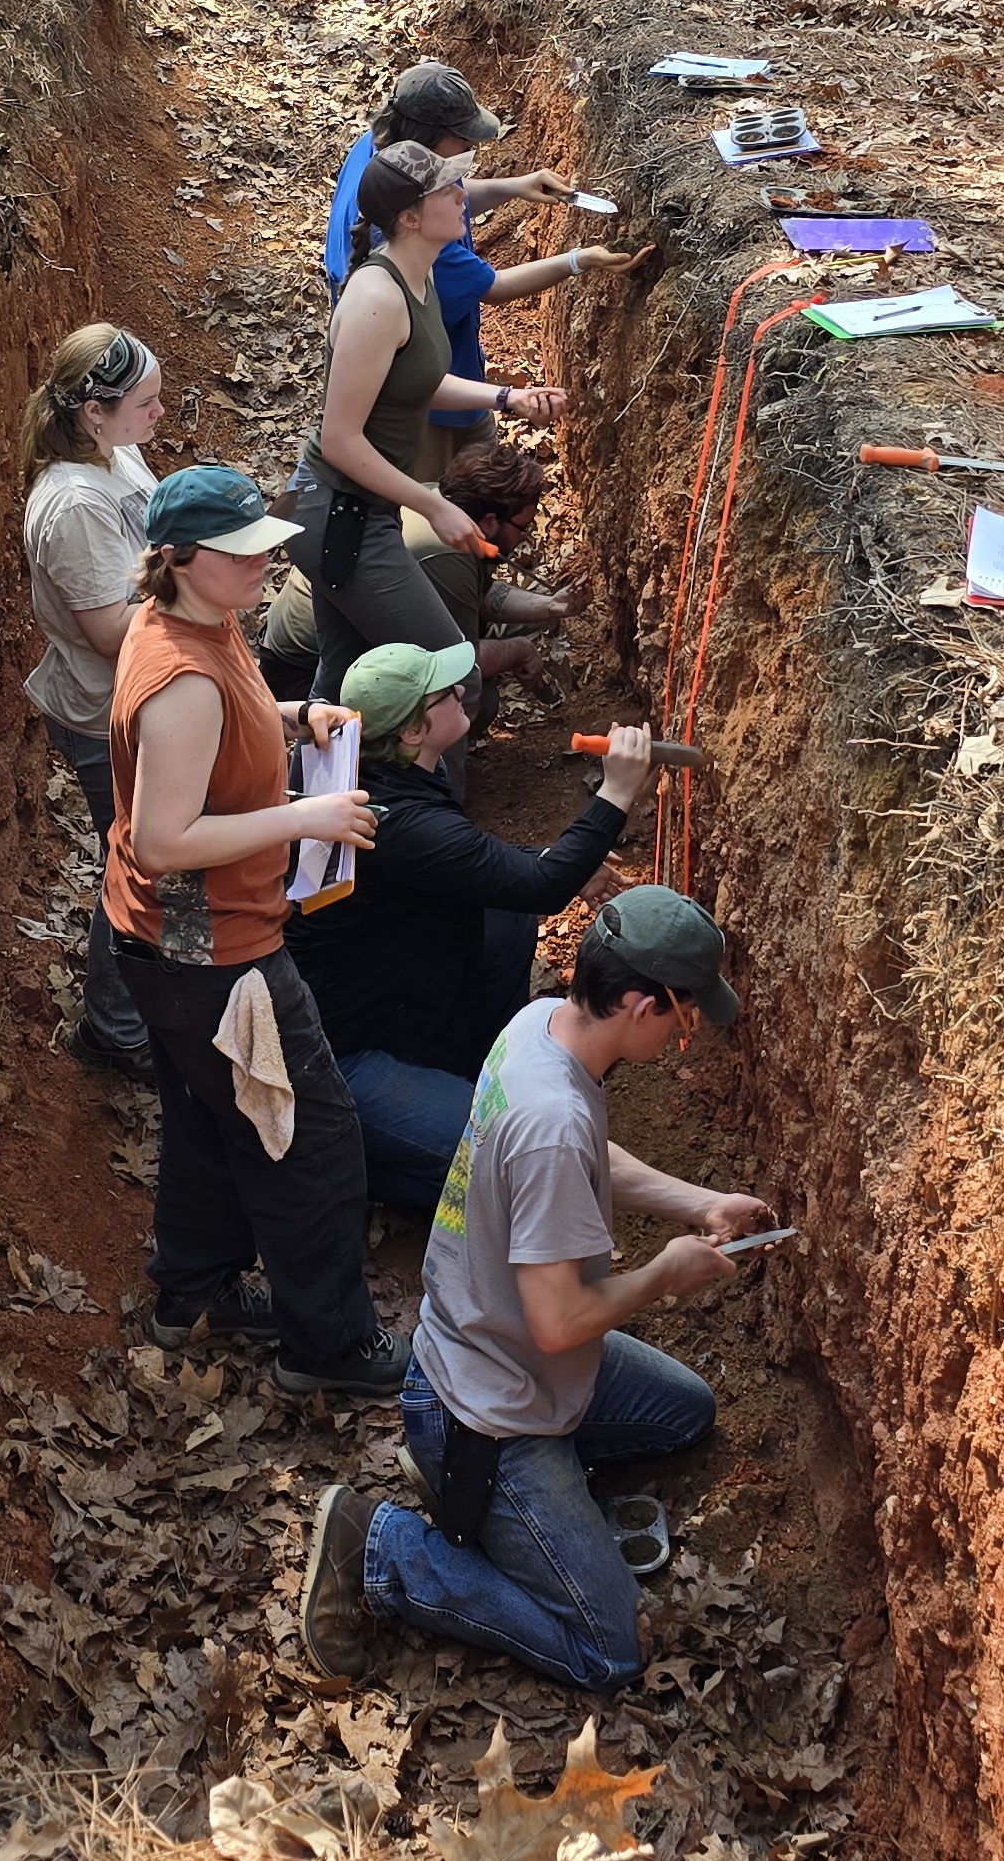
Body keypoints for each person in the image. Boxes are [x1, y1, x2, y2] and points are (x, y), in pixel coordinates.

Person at [297, 888, 774, 1689]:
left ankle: (482, 1499)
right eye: (682, 1019)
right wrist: (664, 1274)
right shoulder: (551, 1118)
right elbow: (558, 1324)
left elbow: (589, 1156)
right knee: (609, 1650)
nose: (683, 1036)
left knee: (684, 1410)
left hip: (482, 1351)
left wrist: (699, 1202)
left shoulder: (544, 1029)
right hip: (492, 1408)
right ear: (637, 1004)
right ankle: (382, 1548)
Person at [106, 465, 405, 1398]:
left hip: (166, 949)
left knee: (209, 1120)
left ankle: (191, 1294)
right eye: (245, 553)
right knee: (308, 1138)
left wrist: (290, 717)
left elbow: (215, 726)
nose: (269, 560)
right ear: (186, 559)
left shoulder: (192, 620)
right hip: (214, 957)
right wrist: (303, 819)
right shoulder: (180, 679)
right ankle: (328, 1348)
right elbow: (163, 839)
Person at [288, 643, 652, 1209]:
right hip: (343, 1056)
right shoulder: (400, 821)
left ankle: (479, 1071)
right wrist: (617, 792)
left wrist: (548, 857)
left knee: (503, 911)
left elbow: (479, 869)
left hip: (384, 996)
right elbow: (536, 885)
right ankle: (351, 1161)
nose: (462, 690)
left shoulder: (359, 769)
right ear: (412, 732)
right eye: (444, 691)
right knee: (518, 1164)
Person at [310, 143, 563, 700]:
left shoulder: (418, 278)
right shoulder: (378, 298)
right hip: (339, 513)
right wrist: (433, 504)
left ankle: (339, 781)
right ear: (410, 218)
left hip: (362, 509)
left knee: (344, 677)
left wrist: (506, 398)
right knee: (451, 674)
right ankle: (423, 788)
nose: (461, 196)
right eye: (448, 190)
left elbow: (413, 381)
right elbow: (339, 439)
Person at [320, 63, 633, 441]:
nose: (472, 145)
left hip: (425, 379)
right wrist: (579, 260)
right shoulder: (413, 249)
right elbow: (492, 286)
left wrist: (516, 186)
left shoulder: (380, 155)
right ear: (427, 140)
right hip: (429, 415)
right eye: (463, 138)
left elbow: (445, 199)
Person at [20, 323, 165, 1082]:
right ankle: (111, 1027)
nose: (160, 414)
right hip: (105, 713)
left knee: (142, 857)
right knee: (136, 865)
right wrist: (198, 585)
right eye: (147, 402)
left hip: (138, 700)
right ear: (93, 411)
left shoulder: (113, 451)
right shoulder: (73, 504)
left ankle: (129, 1009)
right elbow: (112, 630)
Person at [257, 439, 572, 702]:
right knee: (470, 696)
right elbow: (461, 661)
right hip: (301, 674)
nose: (525, 538)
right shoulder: (446, 554)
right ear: (490, 521)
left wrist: (549, 606)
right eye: (523, 527)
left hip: (314, 649)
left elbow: (481, 595)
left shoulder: (440, 503)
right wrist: (521, 651)